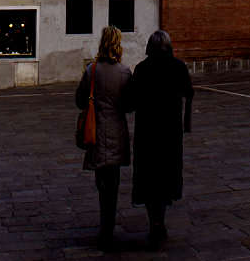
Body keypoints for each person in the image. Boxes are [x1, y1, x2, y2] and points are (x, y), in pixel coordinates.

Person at [127, 31, 194, 249]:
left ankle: (153, 221)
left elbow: (132, 102)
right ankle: (160, 220)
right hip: (169, 132)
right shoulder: (178, 67)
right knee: (166, 174)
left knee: (148, 177)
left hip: (147, 132)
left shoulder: (142, 69)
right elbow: (188, 91)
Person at [74, 26, 135, 250]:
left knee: (102, 183)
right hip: (117, 132)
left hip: (96, 132)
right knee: (114, 182)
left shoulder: (92, 70)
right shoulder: (125, 72)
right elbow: (129, 106)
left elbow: (80, 101)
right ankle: (108, 226)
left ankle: (105, 227)